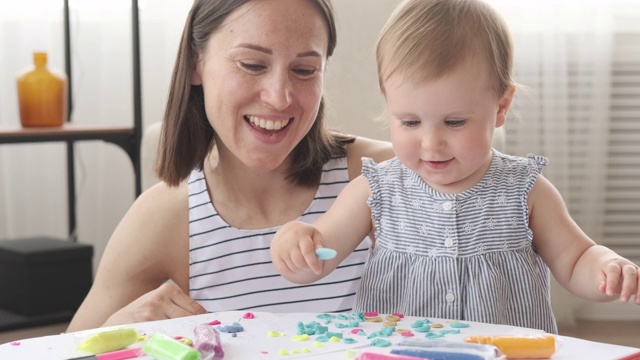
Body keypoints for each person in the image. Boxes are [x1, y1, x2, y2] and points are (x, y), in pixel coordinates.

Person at [270, 0, 640, 334]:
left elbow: (574, 260)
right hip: (399, 351)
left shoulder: (525, 189)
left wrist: (606, 270)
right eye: (410, 122)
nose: (431, 143)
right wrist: (297, 247)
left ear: (500, 107)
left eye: (455, 122)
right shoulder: (375, 190)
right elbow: (321, 252)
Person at [66, 0, 394, 332]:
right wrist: (119, 327)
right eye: (252, 64)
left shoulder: (384, 174)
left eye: (305, 70)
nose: (280, 98)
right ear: (197, 63)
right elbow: (62, 350)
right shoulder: (168, 216)